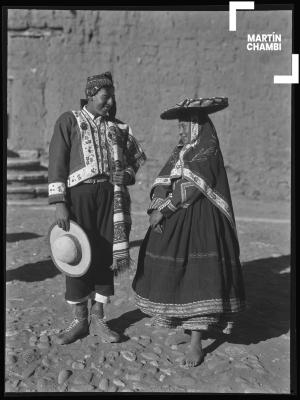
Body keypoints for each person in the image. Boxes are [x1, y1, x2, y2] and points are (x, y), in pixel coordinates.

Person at [132, 98, 246, 367]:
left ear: (196, 126)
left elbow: (192, 187)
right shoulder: (182, 150)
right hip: (177, 216)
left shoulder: (207, 149)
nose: (180, 131)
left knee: (198, 274)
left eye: (184, 126)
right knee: (176, 271)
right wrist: (155, 206)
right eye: (179, 127)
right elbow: (164, 178)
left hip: (202, 220)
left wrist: (166, 210)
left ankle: (197, 341)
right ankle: (185, 328)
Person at [48, 72, 146, 345]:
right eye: (105, 97)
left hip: (110, 198)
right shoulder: (69, 121)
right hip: (78, 198)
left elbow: (135, 159)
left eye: (113, 97)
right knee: (77, 256)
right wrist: (60, 204)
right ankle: (79, 320)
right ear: (90, 96)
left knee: (105, 255)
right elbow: (57, 163)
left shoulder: (118, 127)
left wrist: (125, 175)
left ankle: (100, 319)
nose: (110, 102)